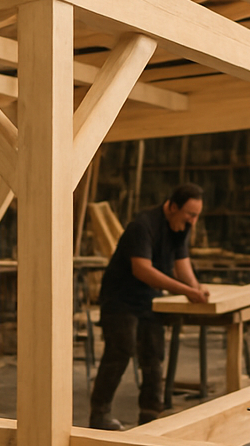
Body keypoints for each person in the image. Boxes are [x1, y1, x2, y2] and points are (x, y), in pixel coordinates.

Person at [88, 183, 210, 430]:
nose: (193, 222)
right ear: (173, 207)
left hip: (149, 299)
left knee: (154, 355)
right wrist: (185, 291)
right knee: (119, 352)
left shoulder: (180, 226)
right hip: (120, 299)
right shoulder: (142, 226)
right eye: (191, 215)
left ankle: (150, 414)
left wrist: (196, 287)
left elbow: (181, 261)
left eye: (196, 215)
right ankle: (99, 416)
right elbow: (141, 269)